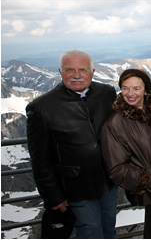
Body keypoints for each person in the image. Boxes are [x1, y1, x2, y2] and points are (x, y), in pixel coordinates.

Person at [26, 50, 118, 238]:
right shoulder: (42, 108)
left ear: (92, 72)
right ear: (60, 71)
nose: (77, 75)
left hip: (108, 181)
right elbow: (40, 159)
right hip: (75, 187)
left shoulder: (107, 93)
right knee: (90, 230)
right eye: (70, 70)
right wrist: (54, 197)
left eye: (82, 70)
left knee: (109, 225)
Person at [101, 69, 151, 239]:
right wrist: (147, 179)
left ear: (146, 90)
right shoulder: (115, 123)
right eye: (125, 88)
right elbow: (116, 167)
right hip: (148, 183)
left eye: (136, 88)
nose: (130, 93)